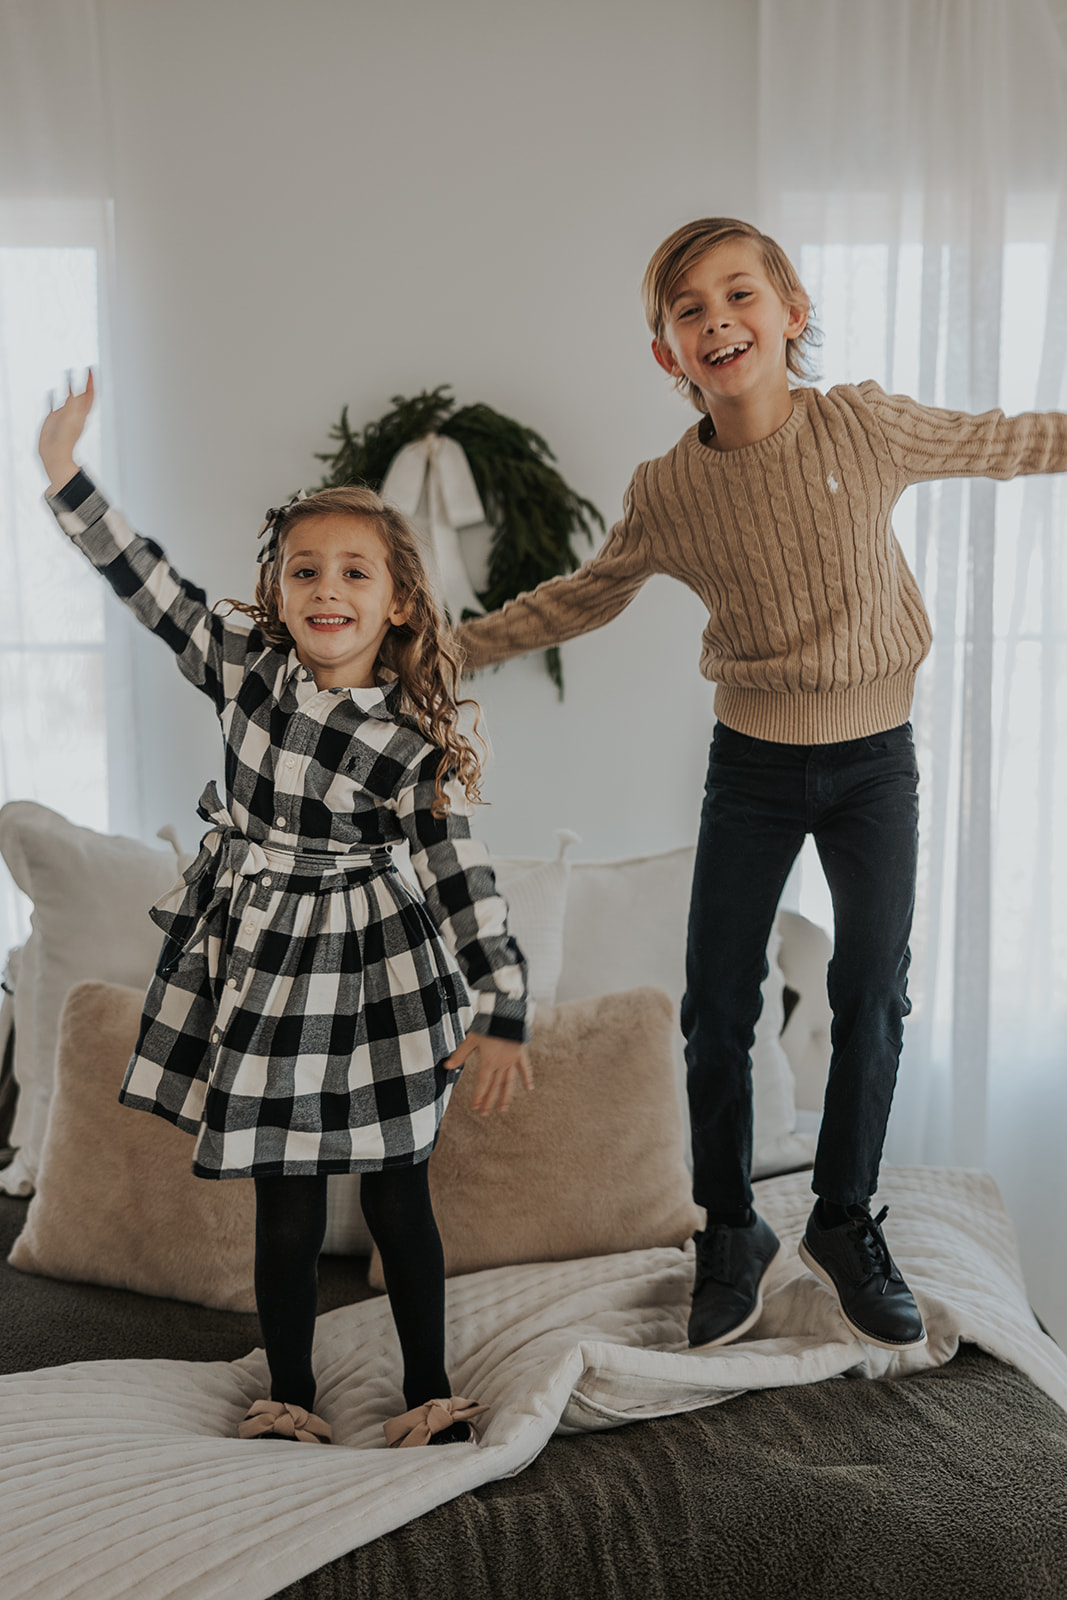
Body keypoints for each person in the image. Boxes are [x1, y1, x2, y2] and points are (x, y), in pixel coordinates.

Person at [455, 216, 1067, 1355]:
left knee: (871, 994)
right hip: (751, 767)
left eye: (738, 295)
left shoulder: (863, 424)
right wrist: (446, 651)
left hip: (874, 760)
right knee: (716, 1007)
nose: (716, 320)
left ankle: (842, 1219)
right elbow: (577, 599)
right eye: (688, 312)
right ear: (668, 358)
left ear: (790, 310)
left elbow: (1003, 440)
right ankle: (728, 1231)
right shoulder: (668, 491)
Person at [38, 373, 532, 1447]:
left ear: (397, 599)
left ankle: (429, 1391)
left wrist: (501, 1005)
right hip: (265, 962)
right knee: (286, 1197)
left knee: (401, 1194)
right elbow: (151, 585)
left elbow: (458, 871)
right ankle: (292, 1395)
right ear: (275, 588)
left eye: (354, 571)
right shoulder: (244, 668)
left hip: (377, 969)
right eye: (303, 569)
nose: (325, 588)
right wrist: (67, 475)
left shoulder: (411, 741)